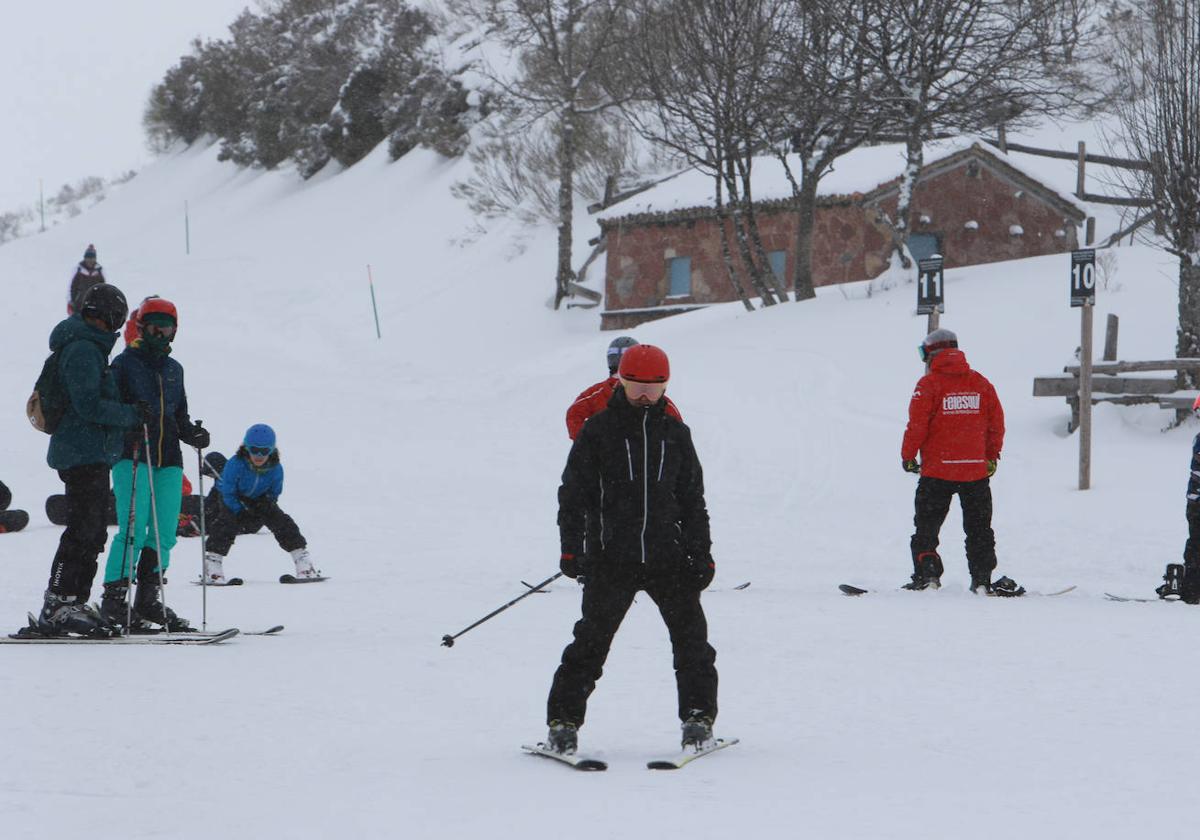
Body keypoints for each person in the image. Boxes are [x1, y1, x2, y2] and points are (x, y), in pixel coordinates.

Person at [544, 344, 719, 755]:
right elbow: (573, 496)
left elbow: (693, 500)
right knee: (589, 644)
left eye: (654, 388)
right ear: (620, 381)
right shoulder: (598, 431)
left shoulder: (676, 434)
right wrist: (572, 550)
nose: (645, 395)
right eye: (637, 386)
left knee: (693, 644)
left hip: (669, 559)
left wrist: (702, 553)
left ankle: (698, 721)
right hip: (611, 559)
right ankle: (563, 723)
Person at [98, 297, 209, 631]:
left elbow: (179, 415)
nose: (160, 332)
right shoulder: (125, 363)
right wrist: (133, 417)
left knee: (163, 533)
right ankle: (114, 601)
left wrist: (193, 434)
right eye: (154, 325)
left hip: (168, 459)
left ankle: (148, 599)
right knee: (132, 529)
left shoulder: (175, 370)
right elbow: (110, 407)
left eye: (167, 326)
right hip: (133, 454)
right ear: (142, 327)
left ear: (175, 331)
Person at [36, 283, 140, 636]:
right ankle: (59, 603)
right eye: (117, 319)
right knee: (84, 529)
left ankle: (72, 601)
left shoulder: (88, 347)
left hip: (89, 451)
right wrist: (130, 415)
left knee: (92, 530)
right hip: (81, 451)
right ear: (108, 316)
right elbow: (88, 405)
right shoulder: (82, 349)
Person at [900, 328, 1022, 595]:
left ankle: (927, 576)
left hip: (936, 473)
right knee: (979, 529)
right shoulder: (981, 383)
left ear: (931, 353)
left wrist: (908, 456)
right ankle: (981, 580)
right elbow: (996, 425)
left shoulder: (928, 385)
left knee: (927, 528)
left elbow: (917, 426)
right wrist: (991, 456)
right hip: (975, 473)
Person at [202, 424, 320, 583]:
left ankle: (303, 562)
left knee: (283, 523)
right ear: (246, 447)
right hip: (234, 500)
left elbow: (275, 491)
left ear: (271, 450)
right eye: (254, 449)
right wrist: (238, 509)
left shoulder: (276, 468)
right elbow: (227, 491)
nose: (259, 455)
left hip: (261, 500)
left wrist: (266, 503)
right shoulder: (235, 464)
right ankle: (212, 567)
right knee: (224, 525)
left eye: (264, 451)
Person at [566, 336, 682, 440]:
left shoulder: (596, 393)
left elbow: (574, 415)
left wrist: (589, 443)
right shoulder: (656, 397)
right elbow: (678, 428)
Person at [1155, 395, 1200, 603]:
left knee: (1195, 546)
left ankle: (1192, 589)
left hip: (1195, 502)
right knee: (1195, 546)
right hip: (1196, 503)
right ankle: (1192, 589)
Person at [66, 244, 106, 316]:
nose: (90, 260)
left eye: (92, 258)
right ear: (85, 258)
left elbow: (104, 289)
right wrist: (71, 302)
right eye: (88, 258)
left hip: (94, 306)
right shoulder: (78, 270)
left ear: (95, 259)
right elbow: (71, 287)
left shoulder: (99, 271)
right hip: (78, 306)